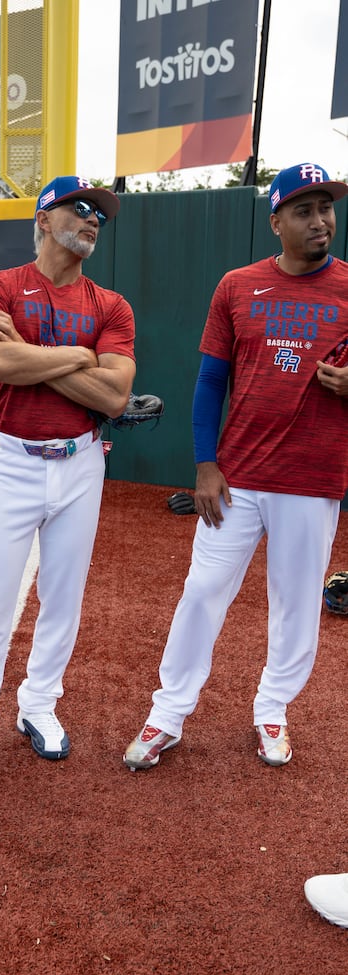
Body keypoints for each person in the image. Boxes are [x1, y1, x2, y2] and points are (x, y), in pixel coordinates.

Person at [123, 162, 348, 772]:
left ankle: (272, 707)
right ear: (275, 221)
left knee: (297, 604)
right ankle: (168, 713)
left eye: (326, 207)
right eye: (303, 210)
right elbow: (209, 382)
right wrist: (204, 463)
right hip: (238, 477)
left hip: (312, 478)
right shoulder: (237, 286)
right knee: (202, 592)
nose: (320, 220)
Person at [0, 176, 136, 793]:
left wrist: (32, 351)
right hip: (11, 460)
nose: (93, 219)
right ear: (44, 219)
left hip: (82, 463)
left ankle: (39, 703)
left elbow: (115, 396)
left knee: (64, 598)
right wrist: (79, 356)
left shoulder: (112, 305)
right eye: (80, 209)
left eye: (99, 213)